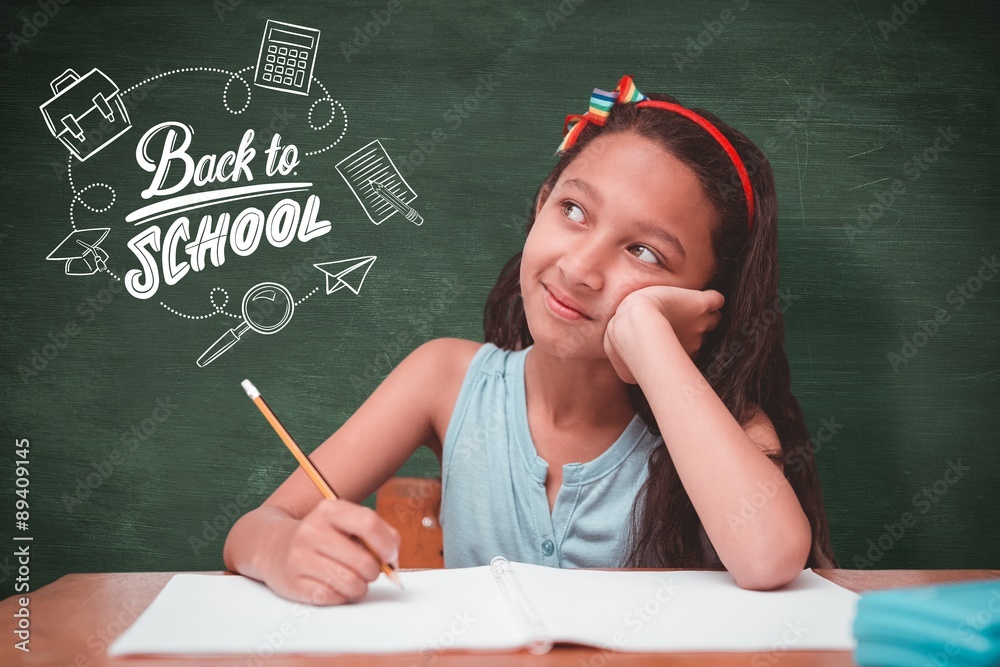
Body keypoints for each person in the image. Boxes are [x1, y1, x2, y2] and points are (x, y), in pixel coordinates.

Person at [223, 75, 837, 606]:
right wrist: (283, 548)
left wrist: (649, 340)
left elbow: (769, 558)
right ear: (542, 204)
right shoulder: (445, 378)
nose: (579, 269)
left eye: (644, 251)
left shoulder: (727, 427)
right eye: (573, 210)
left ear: (704, 300)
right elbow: (252, 529)